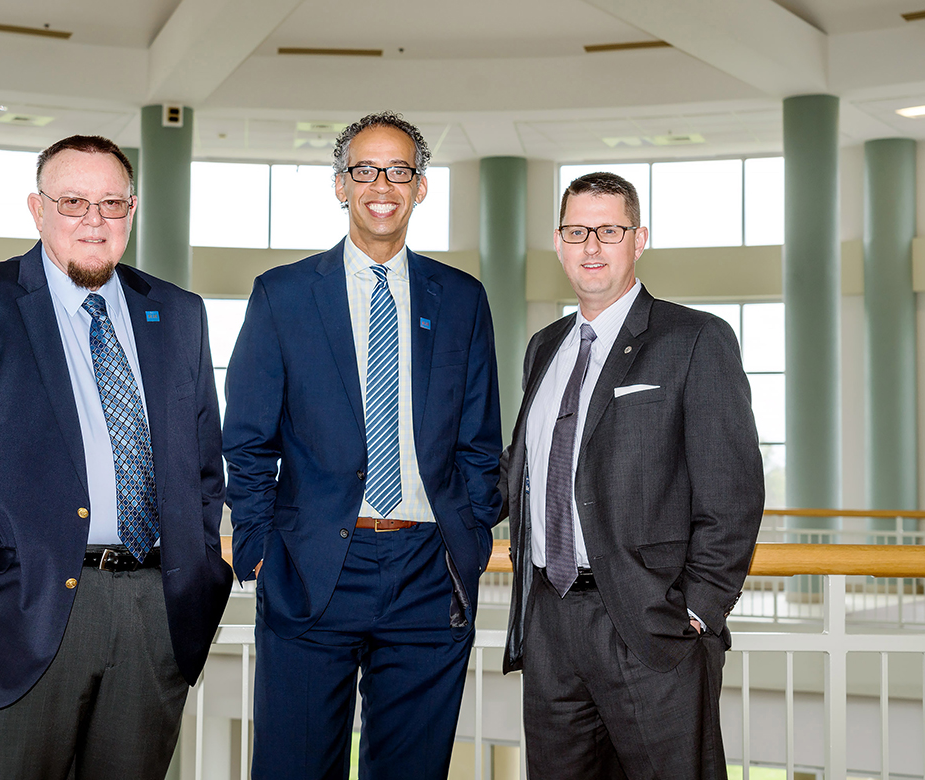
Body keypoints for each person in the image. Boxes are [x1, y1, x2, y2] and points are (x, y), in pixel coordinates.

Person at [0, 134, 233, 779]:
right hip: (18, 611)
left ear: (132, 210)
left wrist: (194, 567)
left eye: (111, 203)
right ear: (37, 211)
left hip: (154, 615)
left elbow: (205, 467)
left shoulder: (178, 313)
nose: (94, 220)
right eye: (72, 202)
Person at [223, 111, 503, 779]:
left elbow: (480, 438)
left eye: (399, 169)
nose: (382, 183)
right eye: (365, 169)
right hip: (311, 567)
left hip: (427, 571)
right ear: (341, 185)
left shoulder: (462, 298)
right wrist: (260, 548)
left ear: (421, 186)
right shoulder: (283, 295)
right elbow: (248, 438)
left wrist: (468, 536)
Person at [499, 171, 764, 779]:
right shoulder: (546, 345)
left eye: (608, 230)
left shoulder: (694, 338)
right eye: (576, 231)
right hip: (550, 621)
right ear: (559, 243)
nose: (591, 246)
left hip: (650, 625)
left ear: (638, 239)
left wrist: (698, 609)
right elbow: (521, 470)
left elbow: (734, 490)